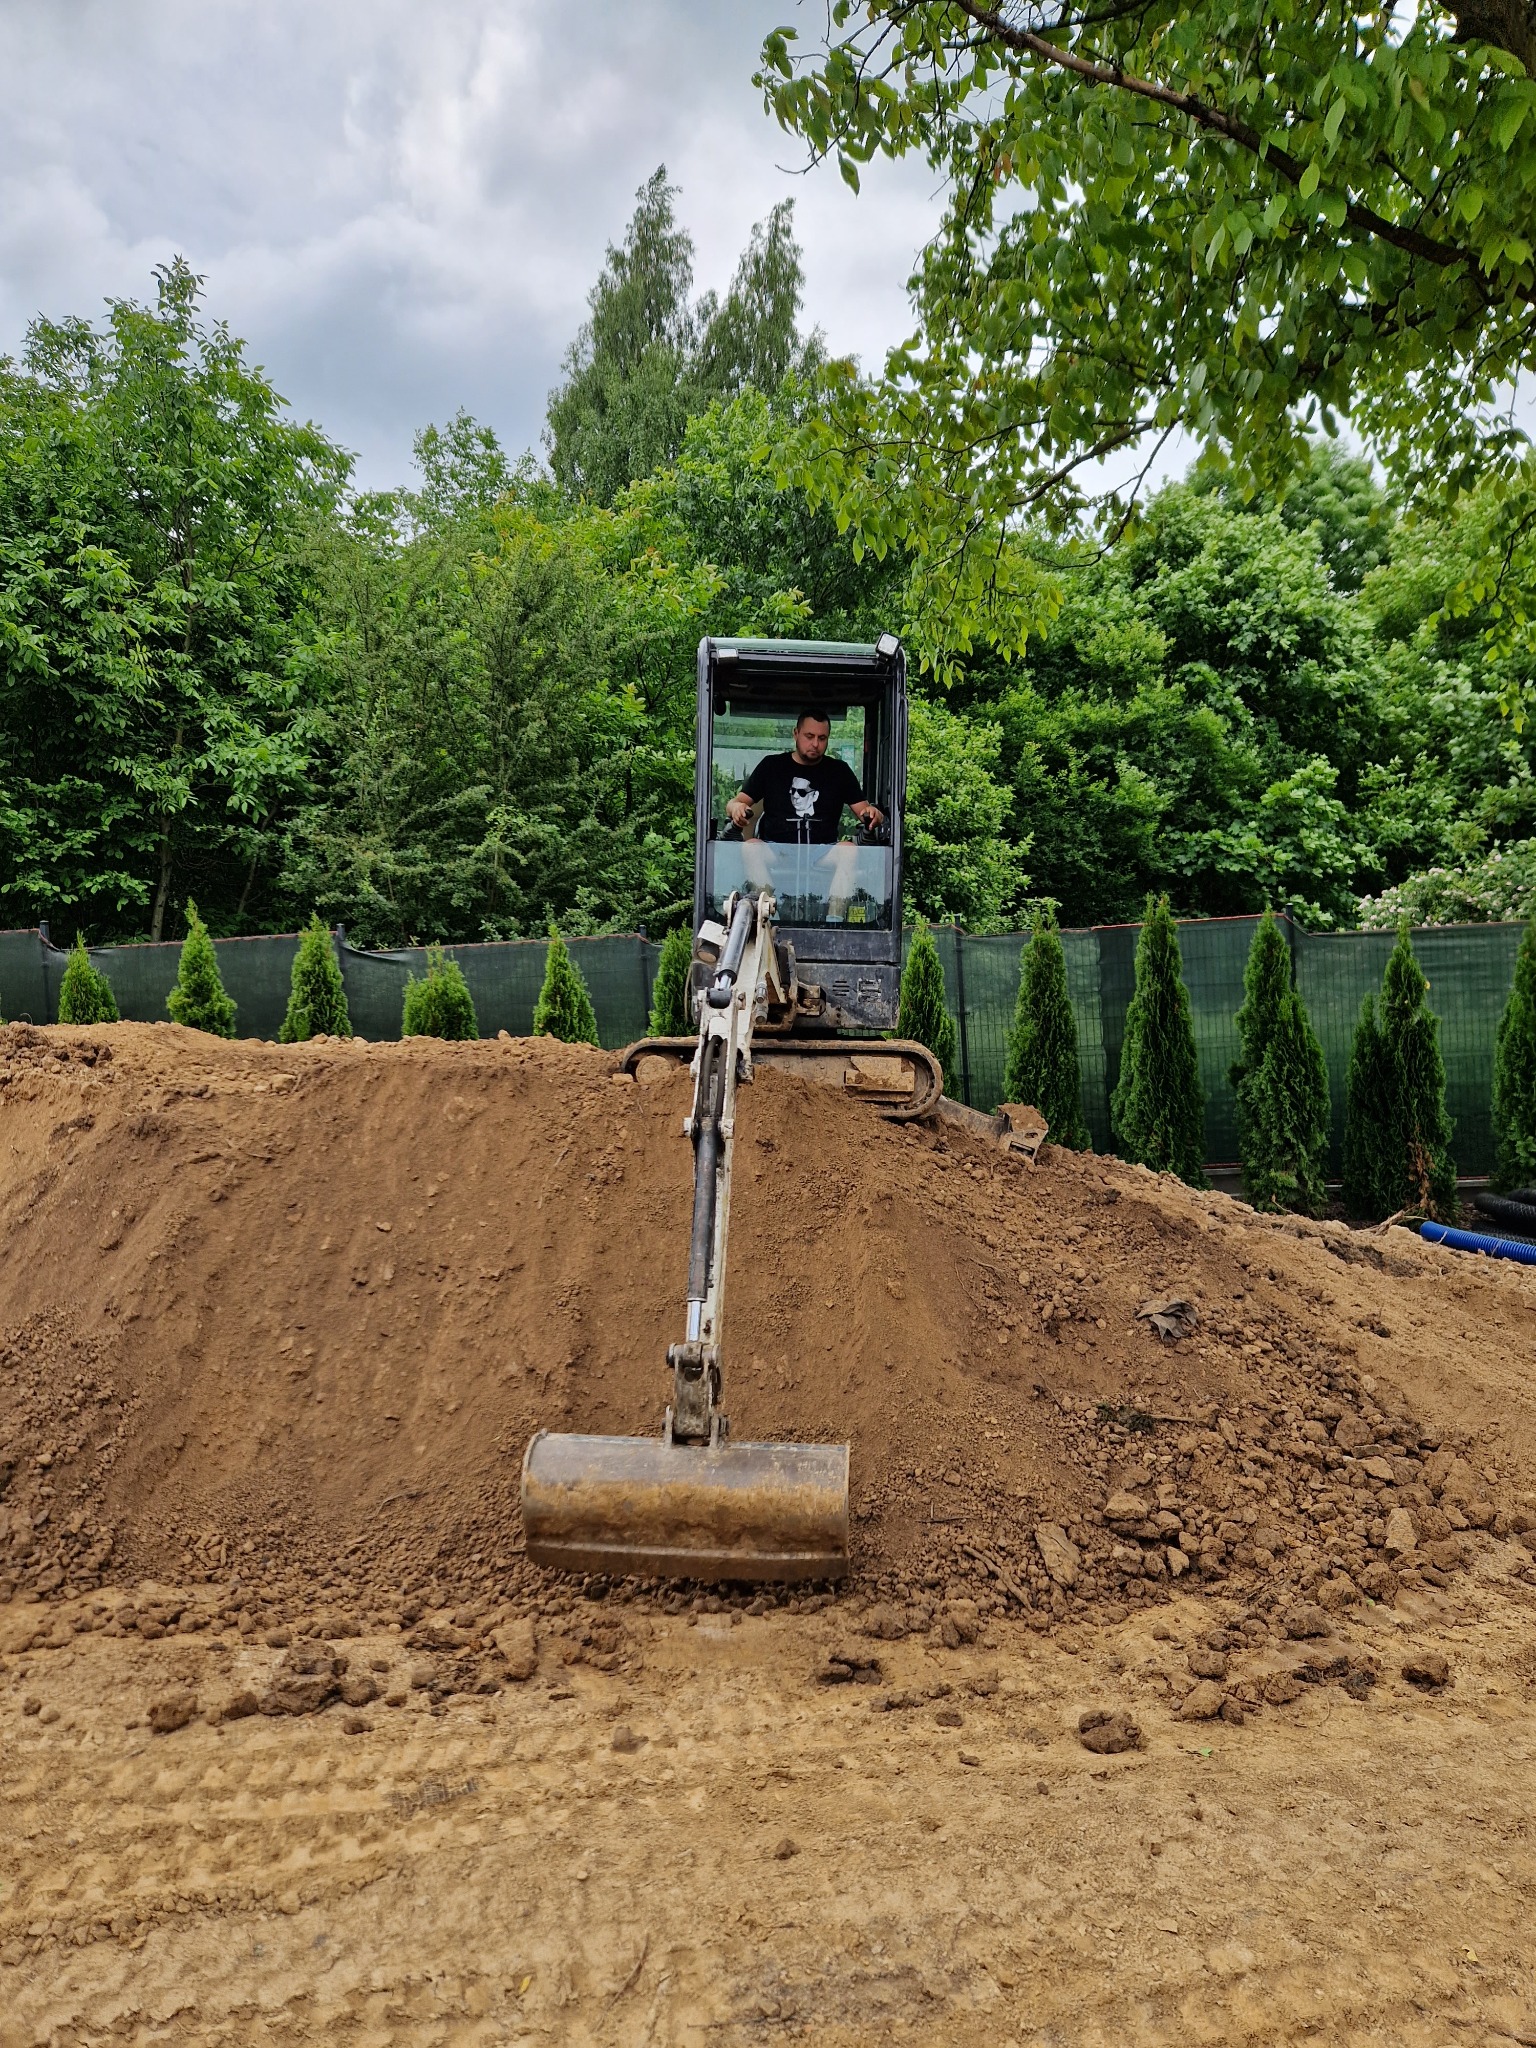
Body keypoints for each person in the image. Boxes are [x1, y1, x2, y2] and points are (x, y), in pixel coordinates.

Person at [724, 710, 885, 922]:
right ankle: (771, 918)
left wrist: (874, 813)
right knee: (751, 847)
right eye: (809, 736)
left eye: (822, 738)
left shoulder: (839, 771)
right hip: (777, 849)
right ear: (796, 734)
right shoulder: (771, 766)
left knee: (849, 850)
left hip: (821, 851)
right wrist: (735, 808)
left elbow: (867, 812)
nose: (815, 744)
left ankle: (834, 922)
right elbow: (734, 803)